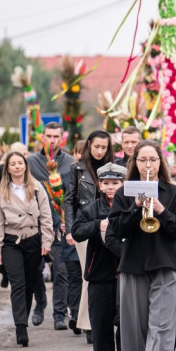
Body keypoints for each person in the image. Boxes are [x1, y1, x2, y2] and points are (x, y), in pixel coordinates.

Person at [106, 140, 176, 351]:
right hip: (133, 267)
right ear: (135, 163)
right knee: (135, 331)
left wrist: (161, 210)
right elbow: (116, 230)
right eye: (142, 160)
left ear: (160, 162)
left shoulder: (174, 193)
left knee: (163, 327)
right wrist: (135, 207)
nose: (148, 165)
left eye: (153, 160)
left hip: (165, 265)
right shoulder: (124, 192)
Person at [0, 151, 54, 347]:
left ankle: (23, 318)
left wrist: (47, 241)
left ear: (25, 166)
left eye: (20, 163)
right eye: (13, 164)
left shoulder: (37, 188)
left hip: (33, 239)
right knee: (17, 283)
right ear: (7, 169)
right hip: (11, 242)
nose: (17, 166)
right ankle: (21, 327)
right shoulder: (1, 192)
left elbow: (46, 216)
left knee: (29, 284)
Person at [71, 162, 126, 351]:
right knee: (101, 327)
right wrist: (97, 225)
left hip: (125, 274)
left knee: (126, 326)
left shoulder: (129, 206)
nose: (111, 187)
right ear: (100, 185)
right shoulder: (91, 209)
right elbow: (76, 231)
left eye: (116, 183)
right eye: (107, 183)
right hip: (99, 276)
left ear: (123, 184)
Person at [27, 123, 78, 331]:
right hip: (35, 224)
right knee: (35, 269)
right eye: (48, 136)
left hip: (60, 225)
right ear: (42, 137)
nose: (52, 140)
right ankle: (40, 303)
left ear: (62, 138)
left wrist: (68, 222)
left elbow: (72, 196)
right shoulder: (31, 162)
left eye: (56, 136)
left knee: (61, 270)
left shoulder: (70, 163)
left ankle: (59, 313)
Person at [66, 130, 115, 340]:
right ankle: (89, 324)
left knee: (108, 273)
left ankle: (103, 319)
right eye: (96, 146)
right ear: (89, 145)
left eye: (104, 147)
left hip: (111, 223)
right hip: (86, 225)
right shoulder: (77, 169)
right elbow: (69, 199)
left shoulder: (114, 168)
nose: (100, 151)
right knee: (89, 273)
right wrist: (70, 229)